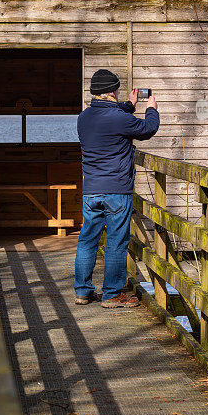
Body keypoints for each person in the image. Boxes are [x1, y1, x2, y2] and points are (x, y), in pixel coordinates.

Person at [74, 68, 160, 308]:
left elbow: (110, 116)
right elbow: (147, 129)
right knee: (116, 242)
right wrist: (151, 108)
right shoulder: (120, 119)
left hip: (91, 189)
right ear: (113, 91)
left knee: (87, 240)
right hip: (116, 190)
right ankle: (112, 295)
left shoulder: (84, 117)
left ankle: (82, 291)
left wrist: (129, 105)